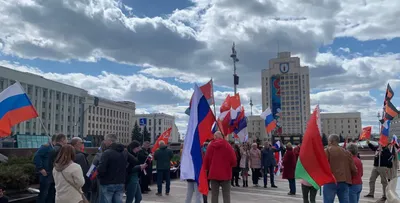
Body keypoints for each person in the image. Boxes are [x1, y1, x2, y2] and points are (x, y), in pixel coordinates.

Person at [97, 134, 135, 203]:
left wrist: (100, 177)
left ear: (110, 141)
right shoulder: (124, 152)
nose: (104, 142)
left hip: (107, 182)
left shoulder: (107, 153)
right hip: (120, 182)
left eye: (105, 140)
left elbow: (101, 169)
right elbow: (134, 161)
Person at [203, 131, 237, 203]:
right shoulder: (227, 145)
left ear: (215, 137)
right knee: (226, 195)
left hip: (213, 174)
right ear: (221, 137)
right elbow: (234, 160)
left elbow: (206, 159)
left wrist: (208, 168)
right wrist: (230, 166)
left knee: (214, 195)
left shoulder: (210, 146)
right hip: (226, 174)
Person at [323, 134, 357, 203]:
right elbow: (354, 169)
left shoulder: (327, 151)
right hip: (344, 181)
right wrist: (350, 177)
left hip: (330, 181)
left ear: (331, 141)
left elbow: (323, 166)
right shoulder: (347, 152)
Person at [33, 135, 56, 203]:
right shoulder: (45, 147)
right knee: (44, 194)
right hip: (46, 174)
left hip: (52, 174)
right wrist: (41, 169)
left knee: (51, 194)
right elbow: (36, 157)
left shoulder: (54, 148)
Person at [46, 134, 68, 203]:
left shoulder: (53, 149)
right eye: (66, 139)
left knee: (51, 195)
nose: (67, 141)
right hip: (59, 178)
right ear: (62, 140)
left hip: (52, 176)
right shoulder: (62, 150)